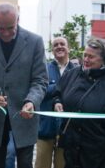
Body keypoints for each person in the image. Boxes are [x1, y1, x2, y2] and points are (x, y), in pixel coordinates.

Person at [0, 3, 48, 168]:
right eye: (0, 28)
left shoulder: (35, 41)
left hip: (25, 115)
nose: (5, 33)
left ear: (18, 20)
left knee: (25, 163)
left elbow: (40, 80)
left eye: (10, 28)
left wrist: (31, 101)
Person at [53, 37, 105, 168]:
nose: (85, 60)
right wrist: (57, 102)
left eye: (91, 57)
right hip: (72, 148)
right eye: (85, 55)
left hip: (101, 154)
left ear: (104, 59)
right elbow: (58, 92)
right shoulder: (72, 74)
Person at [35, 37, 76, 168]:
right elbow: (39, 90)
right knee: (41, 165)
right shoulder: (44, 69)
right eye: (55, 45)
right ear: (52, 50)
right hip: (45, 128)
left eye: (62, 44)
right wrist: (62, 85)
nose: (59, 46)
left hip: (67, 130)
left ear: (68, 48)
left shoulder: (77, 71)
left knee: (63, 165)